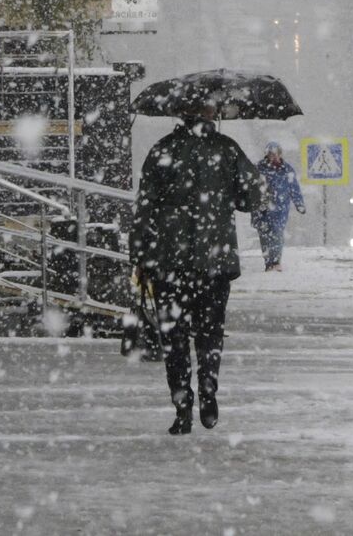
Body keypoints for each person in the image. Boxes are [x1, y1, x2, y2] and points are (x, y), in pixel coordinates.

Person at [130, 105, 265, 435]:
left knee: (173, 339)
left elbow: (144, 206)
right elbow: (252, 198)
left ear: (181, 114)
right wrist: (232, 192)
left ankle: (181, 407)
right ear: (211, 115)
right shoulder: (226, 149)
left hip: (169, 264)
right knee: (210, 334)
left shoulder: (162, 149)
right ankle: (208, 390)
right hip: (213, 264)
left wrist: (139, 257)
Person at [252, 141, 305, 272]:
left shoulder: (287, 170)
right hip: (262, 209)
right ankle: (268, 261)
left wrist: (299, 204)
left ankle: (275, 262)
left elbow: (294, 188)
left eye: (276, 154)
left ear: (280, 154)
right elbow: (251, 188)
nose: (274, 157)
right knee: (264, 235)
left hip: (280, 209)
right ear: (267, 155)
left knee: (277, 234)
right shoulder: (259, 169)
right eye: (271, 154)